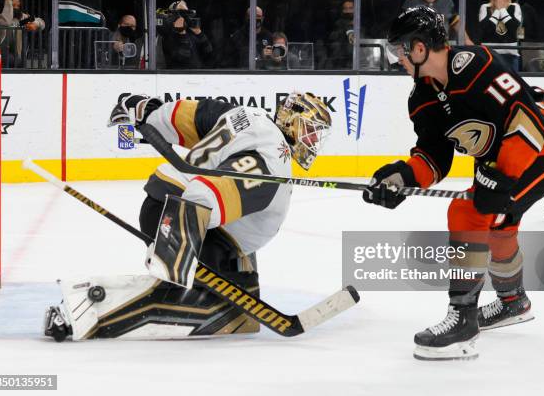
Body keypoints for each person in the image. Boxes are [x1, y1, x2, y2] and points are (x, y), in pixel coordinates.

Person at [363, 6, 544, 360]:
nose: (398, 59)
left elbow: (528, 120)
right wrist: (400, 177)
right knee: (499, 225)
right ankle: (513, 302)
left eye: (401, 50)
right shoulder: (421, 97)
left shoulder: (477, 64)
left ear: (421, 47)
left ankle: (462, 320)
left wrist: (500, 179)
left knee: (468, 212)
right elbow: (434, 159)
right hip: (494, 161)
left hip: (540, 151)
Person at [43, 91, 332, 341]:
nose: (313, 141)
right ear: (294, 122)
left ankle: (209, 270)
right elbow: (210, 194)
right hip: (184, 218)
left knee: (236, 260)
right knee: (194, 286)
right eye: (312, 131)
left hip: (166, 201)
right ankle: (81, 311)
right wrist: (180, 247)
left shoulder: (247, 115)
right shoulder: (273, 160)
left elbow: (189, 117)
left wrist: (147, 111)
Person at [402, 0, 473, 45]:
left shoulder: (447, 1)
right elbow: (402, 28)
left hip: (441, 46)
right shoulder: (410, 3)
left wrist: (466, 39)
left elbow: (455, 22)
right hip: (418, 46)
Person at [158, 0, 213, 69]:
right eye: (180, 12)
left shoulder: (191, 32)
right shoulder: (167, 35)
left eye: (186, 12)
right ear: (172, 15)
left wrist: (199, 34)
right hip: (179, 77)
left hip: (198, 75)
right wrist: (181, 34)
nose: (184, 16)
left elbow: (208, 52)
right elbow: (183, 57)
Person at [478, 0, 522, 72]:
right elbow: (486, 29)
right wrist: (497, 11)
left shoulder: (515, 7)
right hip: (489, 54)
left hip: (509, 55)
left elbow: (514, 29)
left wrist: (502, 10)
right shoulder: (485, 7)